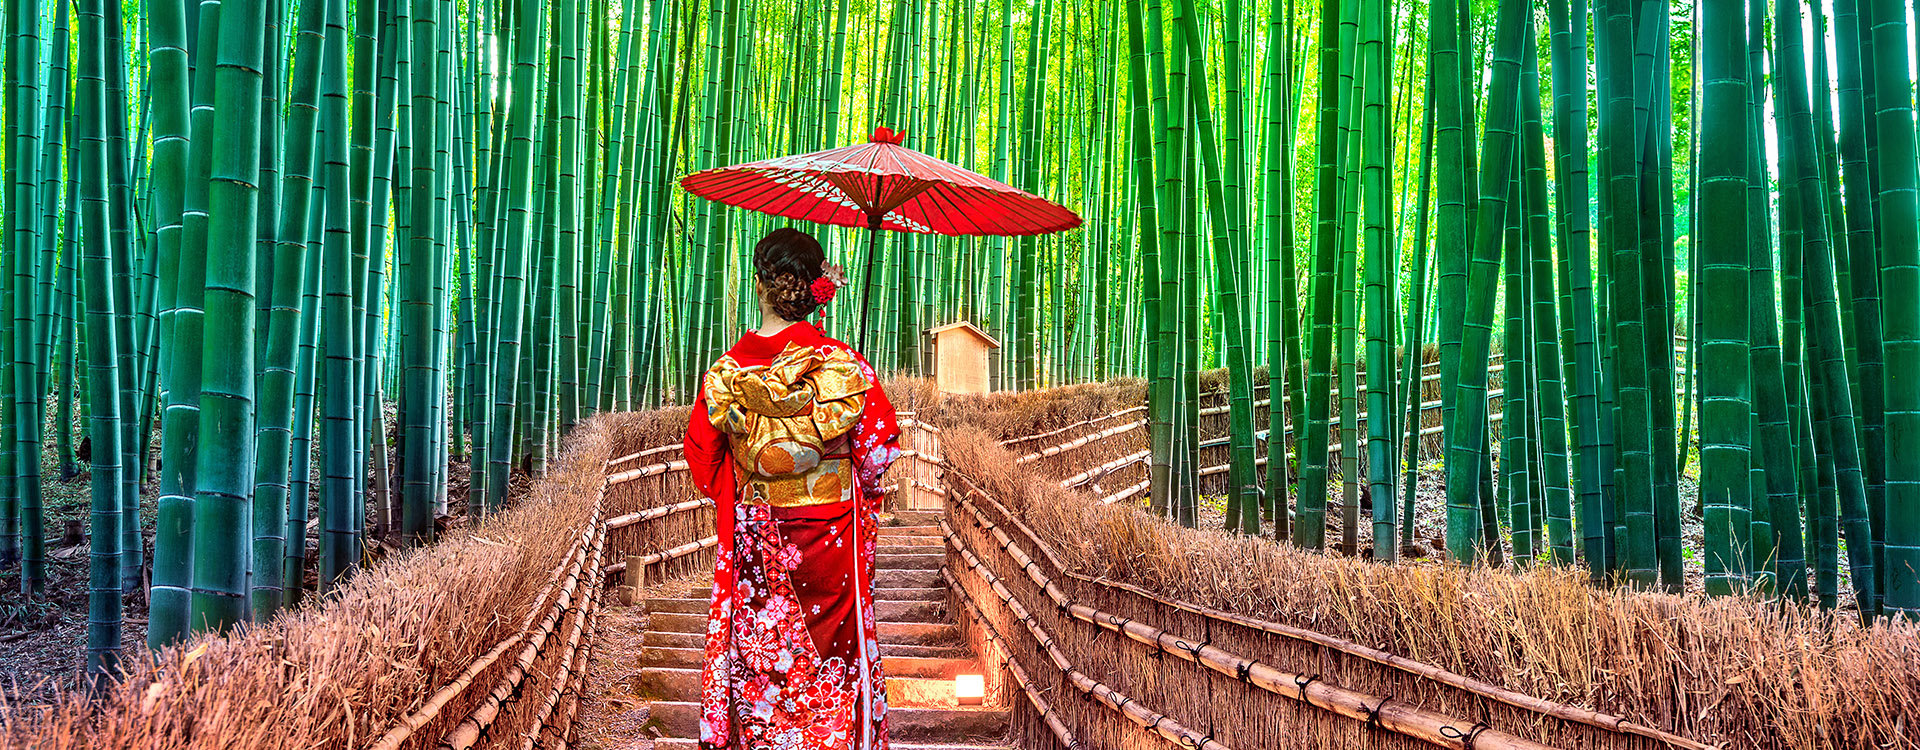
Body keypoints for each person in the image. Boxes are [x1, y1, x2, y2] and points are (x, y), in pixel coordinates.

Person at [684, 227, 901, 750]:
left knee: (760, 660)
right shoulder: (843, 367)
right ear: (815, 290)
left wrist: (755, 482)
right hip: (829, 538)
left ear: (759, 286)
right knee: (832, 661)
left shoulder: (725, 373)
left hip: (758, 538)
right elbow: (877, 454)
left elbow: (704, 458)